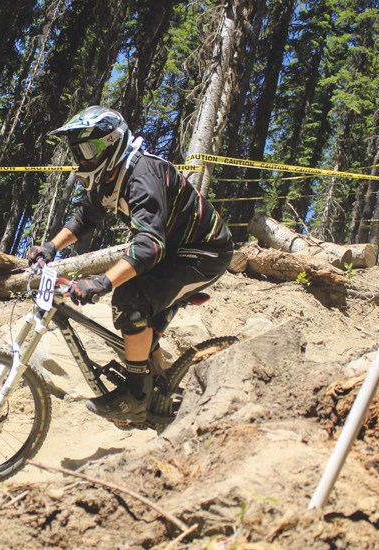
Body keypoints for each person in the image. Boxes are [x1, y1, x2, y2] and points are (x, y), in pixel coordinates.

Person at [27, 105, 233, 423]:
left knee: (131, 298)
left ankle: (134, 399)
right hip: (174, 252)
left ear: (112, 143)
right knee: (137, 317)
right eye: (77, 151)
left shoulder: (142, 175)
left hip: (205, 252)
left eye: (88, 149)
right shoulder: (112, 177)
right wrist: (50, 247)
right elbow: (86, 217)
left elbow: (149, 246)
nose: (81, 160)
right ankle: (162, 382)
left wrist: (102, 282)